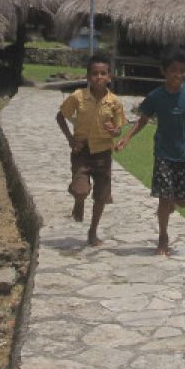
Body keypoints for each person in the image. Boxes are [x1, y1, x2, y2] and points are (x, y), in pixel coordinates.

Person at [115, 45, 185, 256]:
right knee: (164, 197)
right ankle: (163, 237)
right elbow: (143, 120)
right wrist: (126, 138)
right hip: (164, 154)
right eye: (173, 70)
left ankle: (170, 204)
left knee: (183, 201)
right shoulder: (156, 96)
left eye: (182, 71)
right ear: (164, 71)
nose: (178, 75)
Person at [56, 52, 126, 246]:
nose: (99, 77)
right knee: (80, 190)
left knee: (102, 196)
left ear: (109, 77)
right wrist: (71, 140)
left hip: (103, 154)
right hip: (82, 152)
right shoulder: (78, 97)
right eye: (95, 73)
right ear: (88, 76)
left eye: (103, 73)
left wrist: (115, 131)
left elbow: (119, 128)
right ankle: (79, 201)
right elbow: (60, 117)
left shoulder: (115, 102)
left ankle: (93, 231)